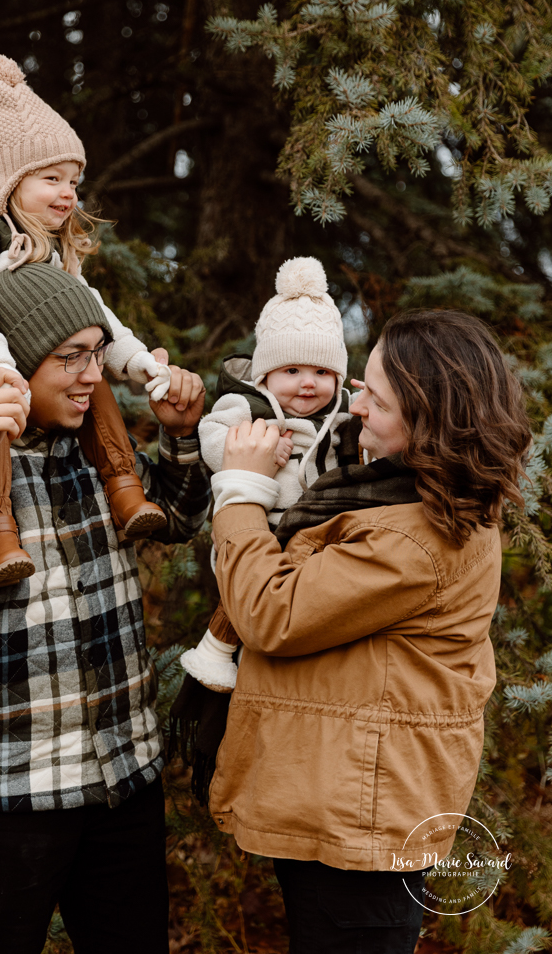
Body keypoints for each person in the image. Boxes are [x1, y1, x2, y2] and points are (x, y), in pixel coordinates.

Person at [0, 264, 210, 954]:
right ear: (15, 362)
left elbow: (174, 519)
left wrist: (178, 438)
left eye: (96, 352)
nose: (93, 375)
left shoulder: (90, 447)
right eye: (70, 358)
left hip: (120, 788)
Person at [205, 309, 531, 953]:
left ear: (425, 423)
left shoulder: (417, 534)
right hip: (346, 796)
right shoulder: (403, 492)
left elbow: (272, 611)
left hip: (365, 819)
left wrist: (241, 490)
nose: (353, 402)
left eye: (375, 399)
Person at [0, 54, 173, 589]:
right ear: (9, 179)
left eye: (74, 179)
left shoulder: (39, 242)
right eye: (52, 178)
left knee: (88, 378)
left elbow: (89, 310)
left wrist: (134, 359)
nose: (68, 193)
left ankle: (124, 486)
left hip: (3, 354)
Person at [182, 255, 358, 693]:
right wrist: (250, 446)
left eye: (322, 372)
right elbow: (210, 434)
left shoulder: (342, 414)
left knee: (301, 602)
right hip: (257, 522)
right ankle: (218, 651)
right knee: (247, 592)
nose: (307, 384)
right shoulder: (247, 406)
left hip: (319, 531)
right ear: (265, 375)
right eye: (292, 371)